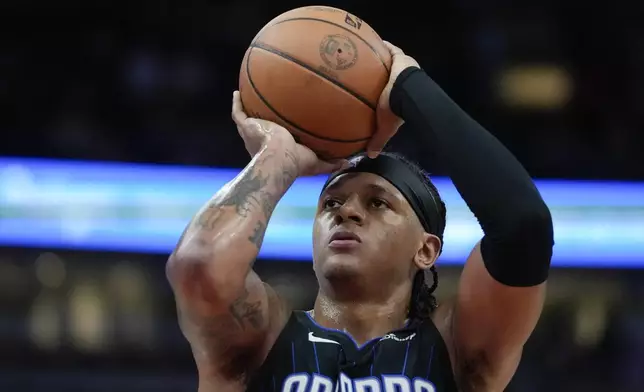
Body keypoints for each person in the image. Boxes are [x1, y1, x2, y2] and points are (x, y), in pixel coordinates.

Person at [166, 41, 554, 392]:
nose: (347, 212)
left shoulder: (456, 350)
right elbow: (199, 266)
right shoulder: (261, 339)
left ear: (426, 250)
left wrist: (410, 89)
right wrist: (277, 158)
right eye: (331, 204)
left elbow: (524, 227)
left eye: (377, 203)